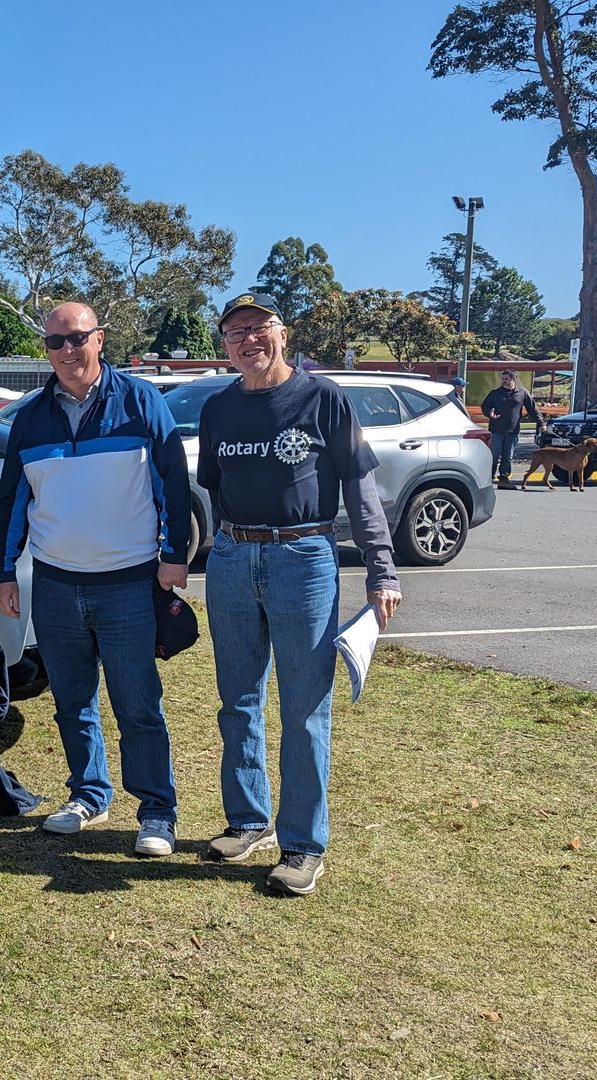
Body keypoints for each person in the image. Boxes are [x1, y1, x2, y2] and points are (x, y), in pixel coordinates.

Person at [198, 291, 403, 896]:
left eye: (258, 328)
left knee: (305, 709)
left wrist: (382, 569)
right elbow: (215, 491)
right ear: (226, 344)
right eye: (235, 333)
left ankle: (302, 846)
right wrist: (228, 549)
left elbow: (362, 492)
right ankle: (247, 821)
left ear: (281, 333)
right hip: (234, 559)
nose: (248, 341)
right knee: (237, 700)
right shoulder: (217, 410)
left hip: (305, 559)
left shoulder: (323, 399)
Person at [0, 302, 190, 855]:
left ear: (99, 339)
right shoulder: (30, 418)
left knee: (137, 703)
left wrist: (174, 554)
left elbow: (173, 482)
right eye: (55, 343)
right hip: (55, 586)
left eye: (77, 339)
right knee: (72, 701)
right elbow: (14, 501)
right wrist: (6, 572)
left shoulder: (140, 402)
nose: (66, 351)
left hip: (128, 584)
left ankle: (156, 811)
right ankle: (89, 793)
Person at [479, 369, 542, 488]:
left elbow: (533, 409)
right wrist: (489, 414)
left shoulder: (522, 393)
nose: (504, 381)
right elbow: (485, 407)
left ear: (514, 379)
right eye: (503, 379)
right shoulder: (495, 393)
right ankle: (488, 478)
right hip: (496, 430)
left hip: (512, 432)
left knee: (508, 457)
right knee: (493, 455)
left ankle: (504, 479)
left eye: (506, 379)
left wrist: (541, 423)